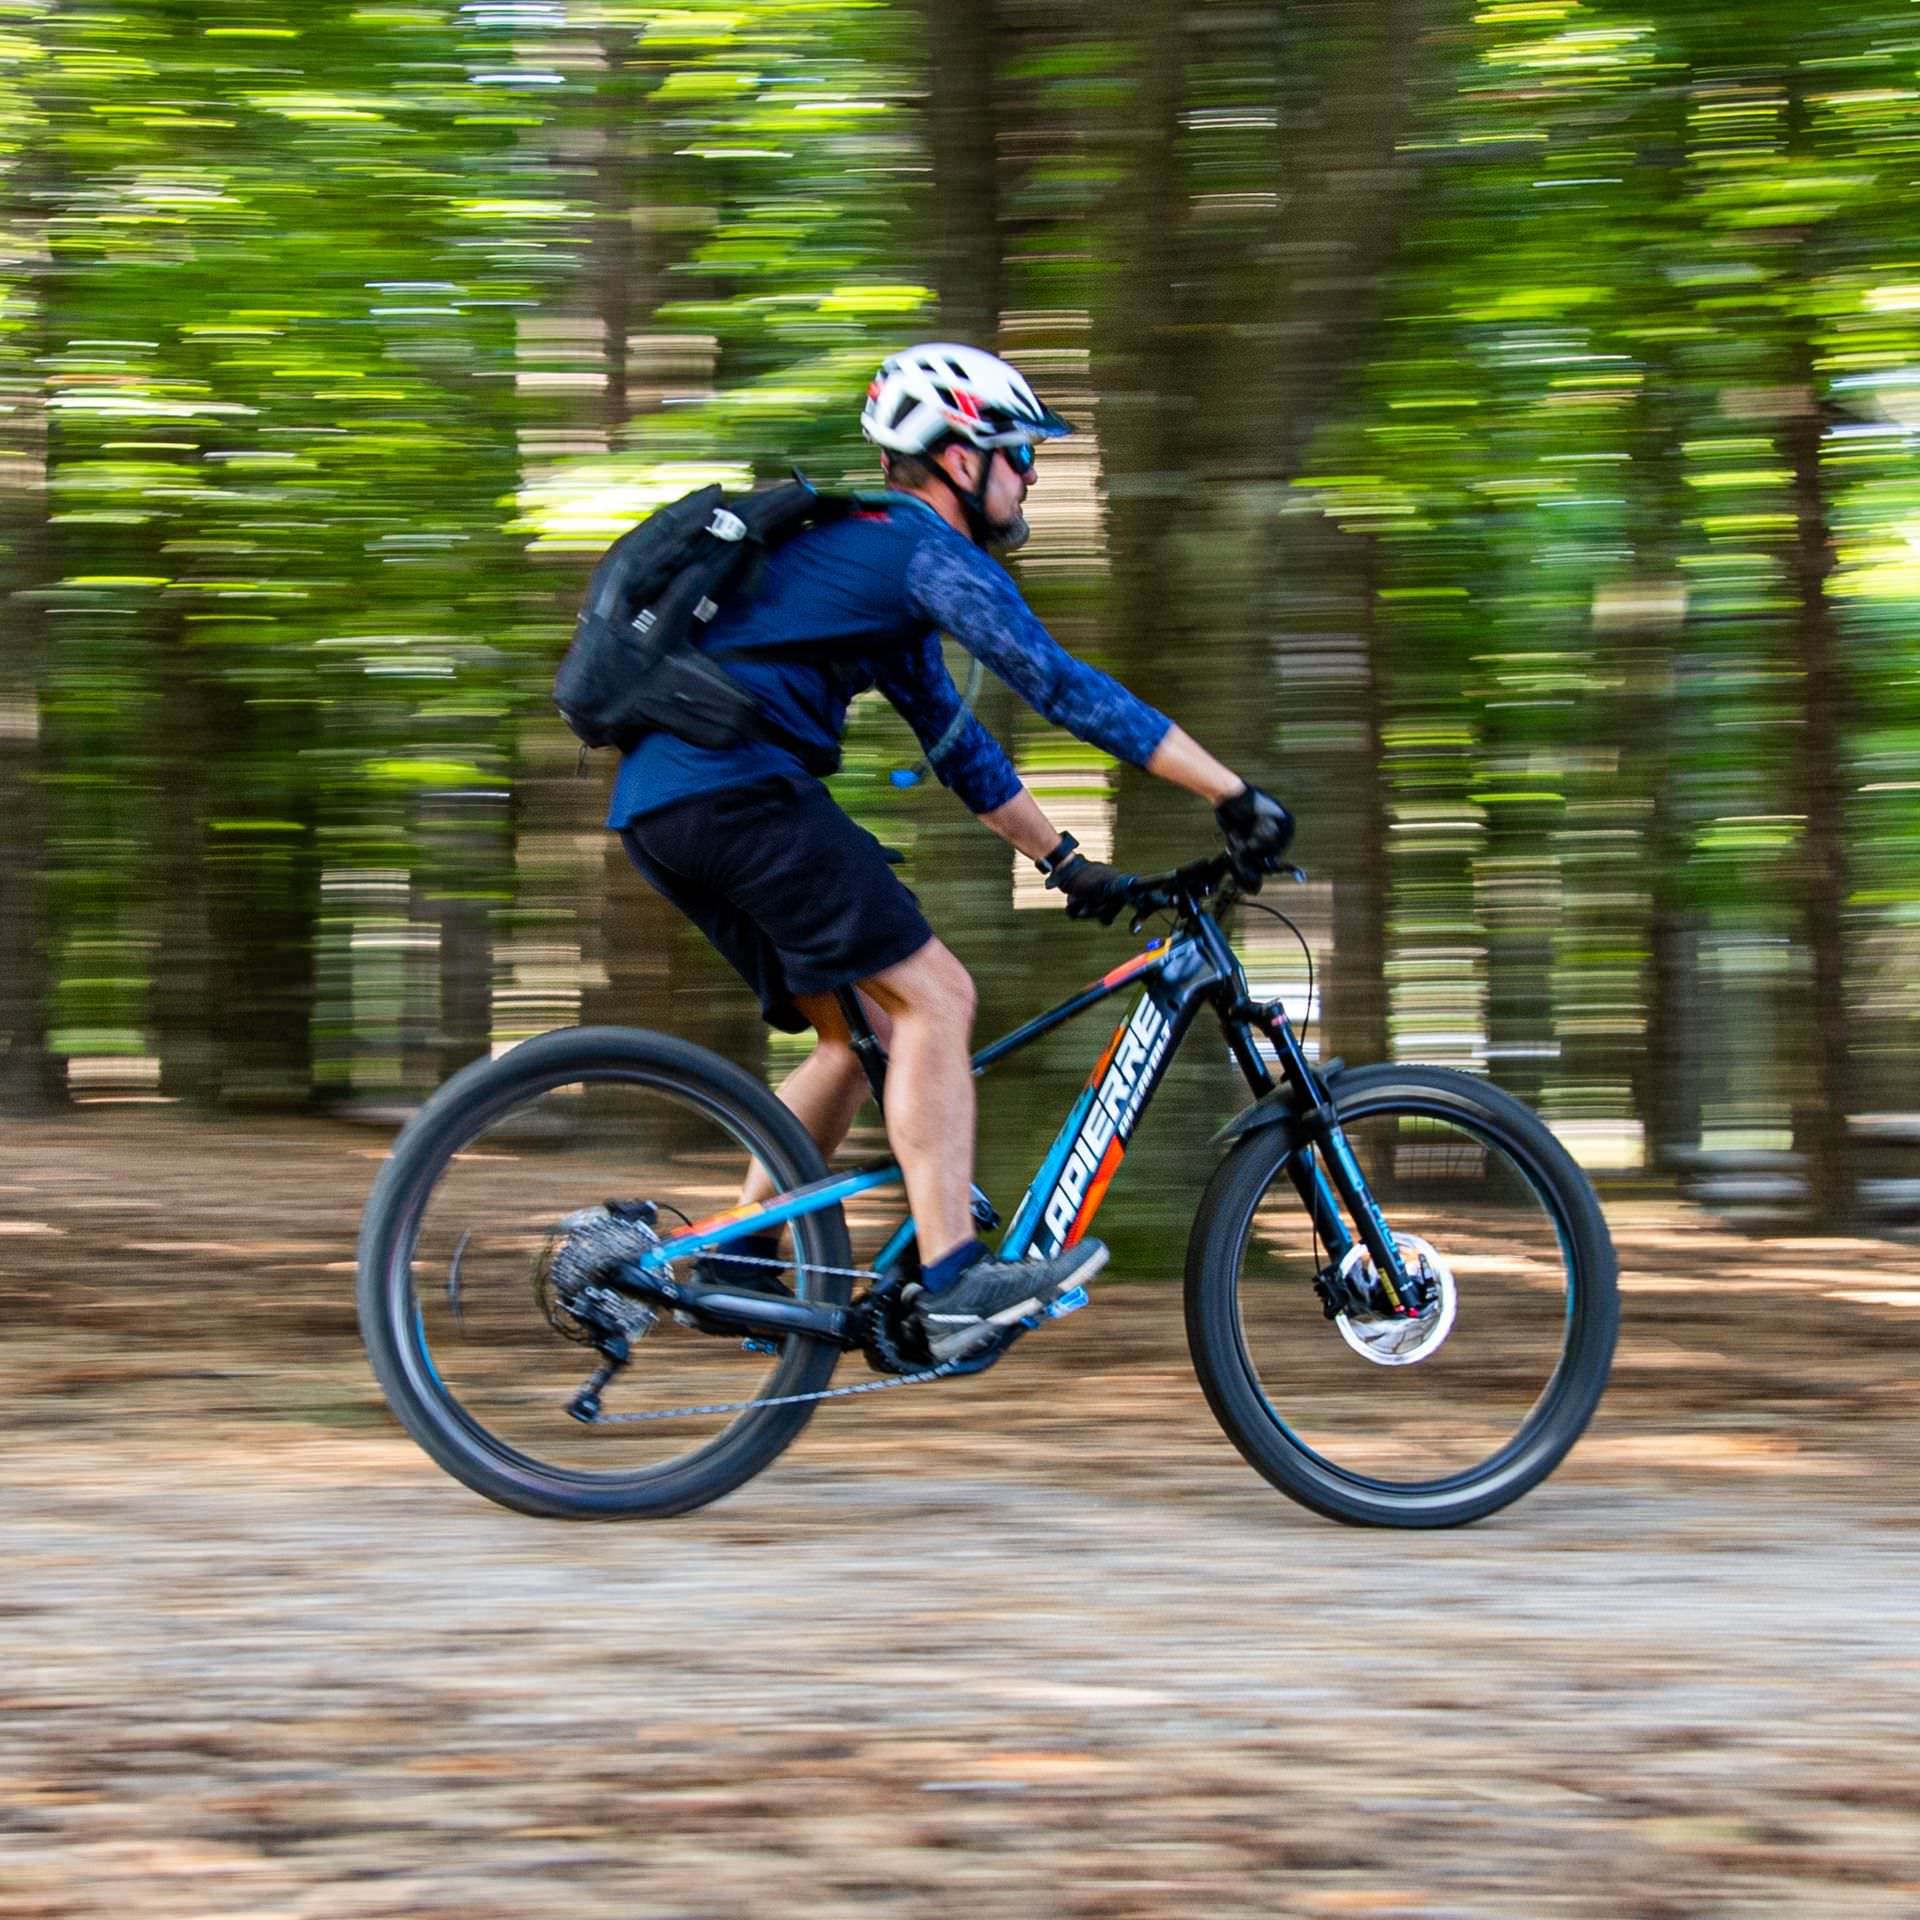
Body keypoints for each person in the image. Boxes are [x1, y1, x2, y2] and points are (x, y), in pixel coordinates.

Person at [610, 342, 1293, 1360]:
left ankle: (733, 1254)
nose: (1029, 479)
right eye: (1019, 456)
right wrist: (1232, 793)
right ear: (958, 455)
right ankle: (955, 1276)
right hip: (738, 791)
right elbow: (1061, 687)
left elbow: (959, 747)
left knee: (857, 1038)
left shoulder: (870, 563)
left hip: (669, 806)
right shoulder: (922, 552)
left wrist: (1065, 862)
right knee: (937, 997)